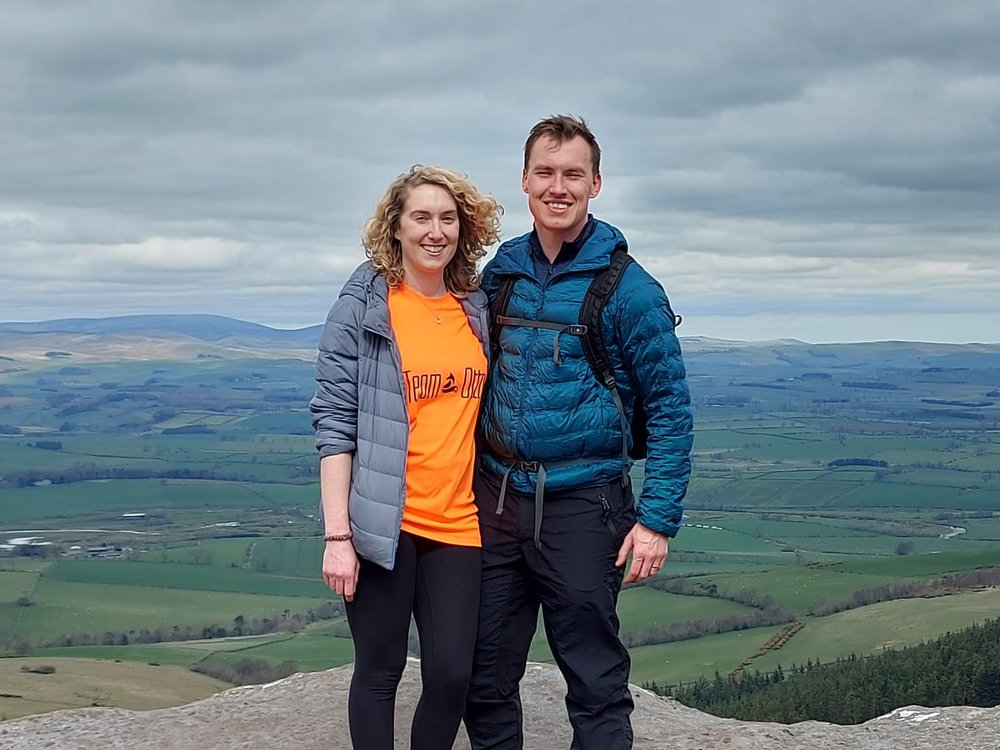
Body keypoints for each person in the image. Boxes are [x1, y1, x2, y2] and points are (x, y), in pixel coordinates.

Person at [464, 115, 693, 749]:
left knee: (594, 681)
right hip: (498, 498)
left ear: (596, 184)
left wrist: (656, 520)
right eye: (545, 173)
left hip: (586, 507)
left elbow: (671, 408)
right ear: (524, 181)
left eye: (572, 174)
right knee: (484, 675)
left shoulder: (630, 290)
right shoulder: (501, 274)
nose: (557, 187)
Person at [309, 164, 502, 750]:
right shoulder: (364, 306)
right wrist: (337, 536)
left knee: (450, 675)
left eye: (448, 218)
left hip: (457, 522)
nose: (435, 231)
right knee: (380, 669)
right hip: (381, 523)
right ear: (395, 226)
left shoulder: (472, 307)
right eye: (421, 217)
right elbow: (335, 425)